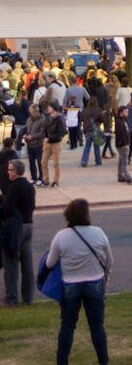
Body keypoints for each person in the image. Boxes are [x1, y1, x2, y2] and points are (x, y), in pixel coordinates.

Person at [46, 198, 113, 365]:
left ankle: (62, 361)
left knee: (68, 325)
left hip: (70, 284)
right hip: (94, 282)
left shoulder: (61, 236)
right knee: (97, 325)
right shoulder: (98, 232)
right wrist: (106, 274)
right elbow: (109, 260)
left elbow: (49, 263)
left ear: (68, 215)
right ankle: (103, 361)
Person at [0, 158, 35, 306]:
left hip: (16, 228)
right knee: (27, 264)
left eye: (10, 170)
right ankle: (28, 298)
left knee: (11, 263)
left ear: (16, 171)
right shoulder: (29, 186)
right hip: (28, 225)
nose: (8, 172)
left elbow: (7, 209)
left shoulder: (14, 187)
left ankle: (11, 298)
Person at [42, 101, 67, 187]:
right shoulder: (47, 117)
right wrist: (45, 136)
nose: (48, 109)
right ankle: (45, 180)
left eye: (49, 107)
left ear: (53, 108)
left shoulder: (59, 118)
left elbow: (63, 131)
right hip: (48, 142)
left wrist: (51, 138)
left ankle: (56, 181)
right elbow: (45, 128)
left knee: (56, 163)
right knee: (43, 162)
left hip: (56, 142)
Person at [25, 103, 46, 185]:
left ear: (37, 111)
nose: (33, 114)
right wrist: (26, 135)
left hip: (39, 144)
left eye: (34, 112)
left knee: (40, 162)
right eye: (32, 112)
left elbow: (42, 132)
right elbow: (27, 129)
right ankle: (33, 177)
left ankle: (41, 178)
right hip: (29, 144)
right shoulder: (29, 119)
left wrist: (32, 136)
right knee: (31, 162)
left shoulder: (42, 119)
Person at [80, 97, 104, 168]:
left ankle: (84, 161)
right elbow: (102, 119)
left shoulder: (85, 110)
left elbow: (81, 119)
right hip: (95, 129)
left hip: (87, 130)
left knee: (87, 146)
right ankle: (98, 162)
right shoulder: (98, 109)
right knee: (96, 147)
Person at [115, 106, 132, 184]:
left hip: (123, 143)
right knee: (125, 161)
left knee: (122, 160)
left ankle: (120, 175)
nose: (127, 113)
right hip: (123, 144)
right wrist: (124, 142)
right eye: (125, 112)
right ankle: (127, 176)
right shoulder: (119, 122)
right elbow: (120, 134)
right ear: (121, 112)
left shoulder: (123, 121)